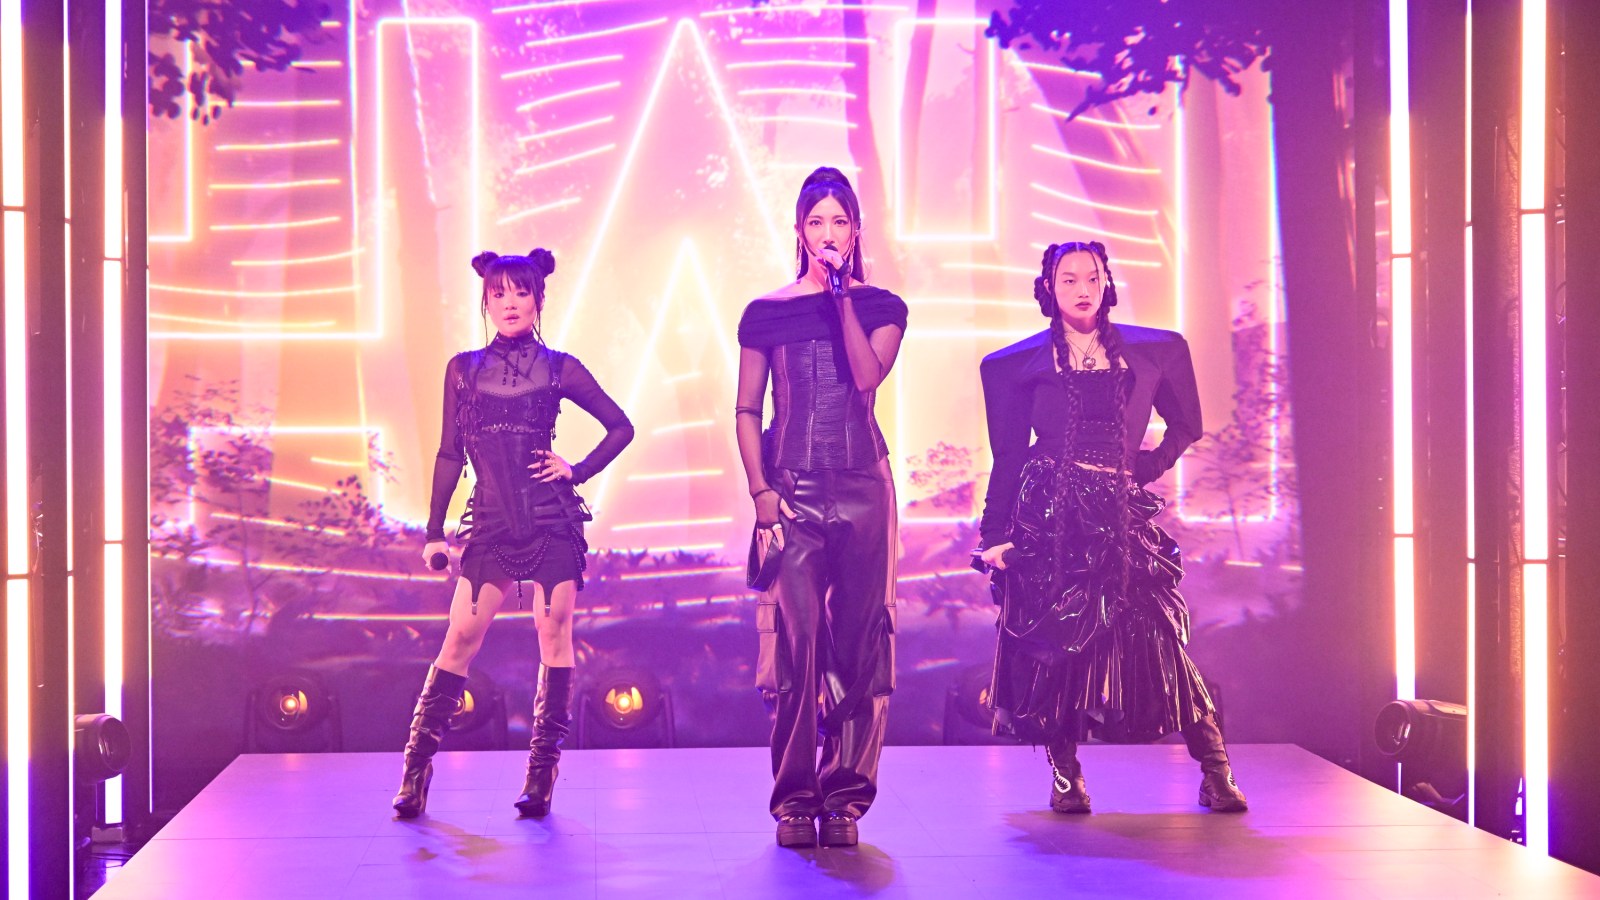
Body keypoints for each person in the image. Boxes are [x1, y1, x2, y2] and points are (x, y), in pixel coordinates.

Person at [975, 240, 1248, 815]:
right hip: (1049, 517)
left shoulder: (1156, 350)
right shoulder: (1013, 365)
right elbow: (1007, 455)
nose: (1081, 289)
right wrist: (994, 534)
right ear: (1048, 287)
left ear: (1106, 283)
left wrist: (1142, 469)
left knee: (1159, 641)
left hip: (1119, 520)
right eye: (1068, 279)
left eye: (1091, 278)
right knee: (1054, 647)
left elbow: (1187, 424)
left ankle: (1216, 770)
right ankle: (1066, 777)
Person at [392, 248, 634, 819]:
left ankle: (541, 776)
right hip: (491, 522)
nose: (509, 303)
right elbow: (449, 454)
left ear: (538, 299)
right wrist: (434, 532)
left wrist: (577, 469)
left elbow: (621, 427)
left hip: (550, 521)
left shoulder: (560, 368)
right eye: (498, 293)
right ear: (485, 300)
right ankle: (414, 773)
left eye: (520, 292)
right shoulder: (462, 369)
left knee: (554, 637)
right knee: (459, 639)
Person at [735, 167, 907, 848]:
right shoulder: (766, 311)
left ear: (856, 231)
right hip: (791, 491)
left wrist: (841, 298)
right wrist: (761, 492)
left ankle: (845, 800)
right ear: (800, 232)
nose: (829, 233)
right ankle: (794, 801)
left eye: (840, 221)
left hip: (864, 488)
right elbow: (748, 409)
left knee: (862, 644)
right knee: (797, 648)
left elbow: (865, 377)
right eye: (816, 222)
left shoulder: (883, 306)